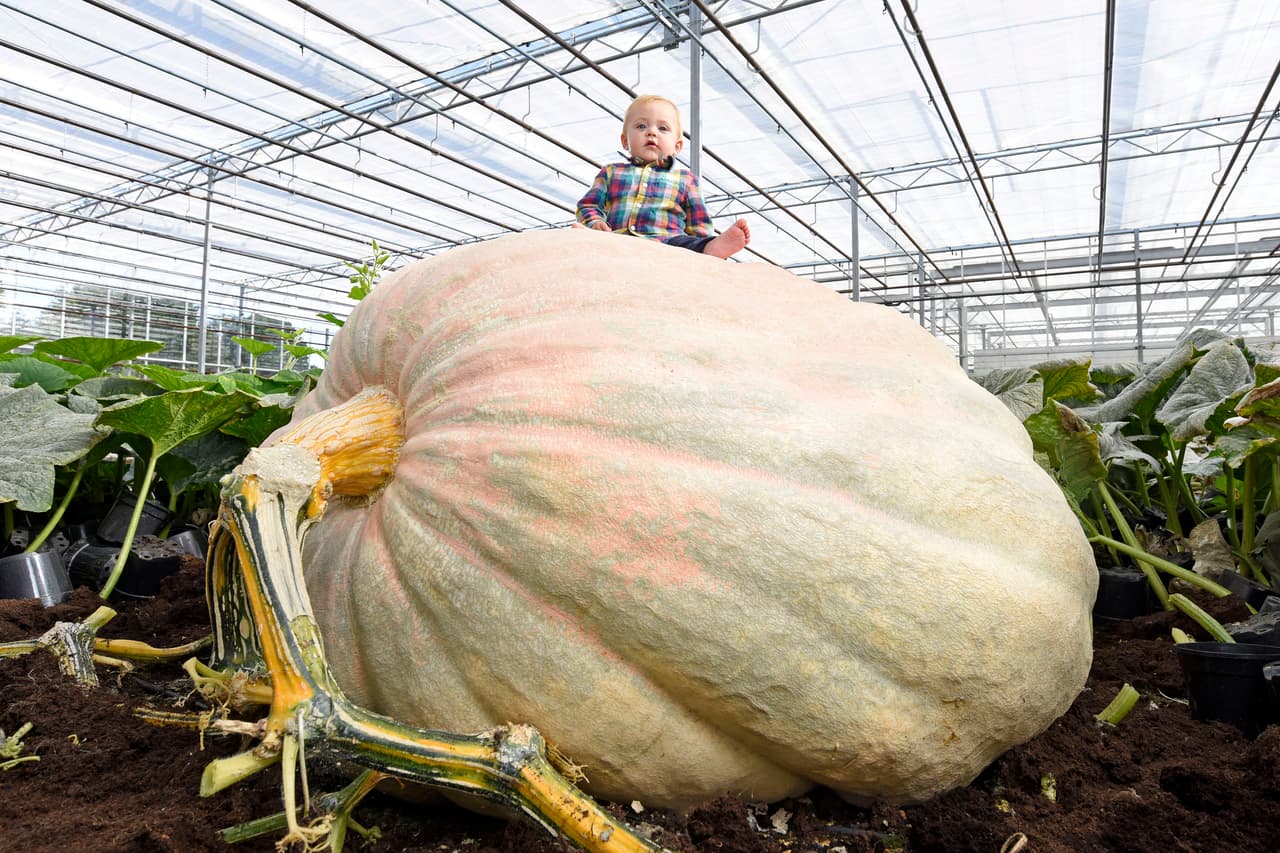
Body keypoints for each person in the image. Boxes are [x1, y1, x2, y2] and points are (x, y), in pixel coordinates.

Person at [575, 95, 750, 260]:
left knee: (691, 244)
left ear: (677, 146)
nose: (651, 132)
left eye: (663, 128)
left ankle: (712, 249)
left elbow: (699, 222)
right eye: (641, 126)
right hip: (619, 238)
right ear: (625, 141)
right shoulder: (611, 172)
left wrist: (703, 242)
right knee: (590, 238)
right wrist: (595, 222)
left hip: (669, 242)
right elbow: (588, 205)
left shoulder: (686, 180)